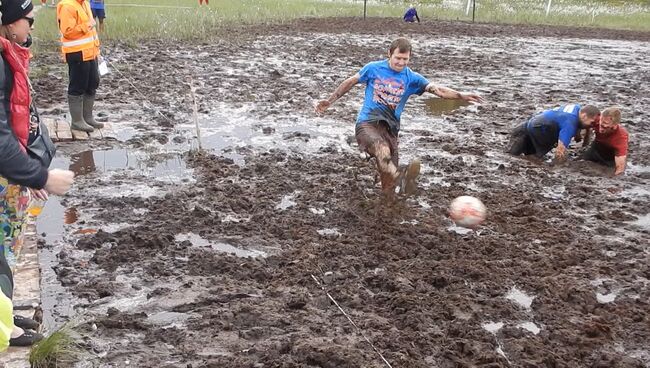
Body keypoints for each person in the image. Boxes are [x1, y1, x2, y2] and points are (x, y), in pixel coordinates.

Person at [316, 38, 482, 196]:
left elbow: (437, 90)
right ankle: (400, 175)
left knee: (388, 186)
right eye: (398, 58)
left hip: (391, 130)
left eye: (405, 59)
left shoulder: (412, 78)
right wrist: (330, 101)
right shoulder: (373, 68)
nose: (401, 63)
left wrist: (461, 95)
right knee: (382, 149)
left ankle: (390, 199)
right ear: (389, 53)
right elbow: (351, 81)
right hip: (368, 123)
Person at [1, 0, 75, 347]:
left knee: (8, 248)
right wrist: (41, 177)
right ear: (9, 22)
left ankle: (3, 312)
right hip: (6, 174)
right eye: (28, 20)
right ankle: (3, 329)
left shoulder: (8, 55)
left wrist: (31, 172)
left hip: (12, 172)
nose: (32, 27)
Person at [56, 0, 103, 133]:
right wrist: (87, 25)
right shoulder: (67, 6)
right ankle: (77, 121)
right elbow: (68, 32)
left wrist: (97, 50)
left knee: (92, 82)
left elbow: (91, 33)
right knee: (78, 86)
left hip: (90, 52)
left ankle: (88, 117)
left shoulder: (85, 3)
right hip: (77, 53)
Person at [507, 103, 600, 163]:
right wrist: (558, 166)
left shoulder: (577, 108)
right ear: (584, 116)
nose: (591, 126)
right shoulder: (570, 123)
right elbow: (561, 149)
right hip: (531, 135)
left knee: (513, 157)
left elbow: (582, 124)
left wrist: (583, 136)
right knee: (525, 159)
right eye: (591, 123)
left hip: (527, 127)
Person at [581, 107, 628, 176]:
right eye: (601, 123)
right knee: (580, 161)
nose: (600, 128)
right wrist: (584, 140)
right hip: (596, 147)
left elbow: (620, 168)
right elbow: (583, 123)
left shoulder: (620, 137)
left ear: (614, 126)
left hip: (610, 155)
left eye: (605, 125)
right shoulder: (596, 119)